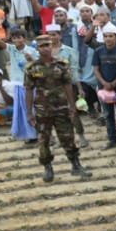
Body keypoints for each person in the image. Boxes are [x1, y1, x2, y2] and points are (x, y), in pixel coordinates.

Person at [26, 31, 89, 183]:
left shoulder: (61, 65)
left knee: (68, 137)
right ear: (37, 49)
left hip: (61, 108)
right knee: (44, 140)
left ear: (52, 46)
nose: (45, 49)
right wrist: (29, 112)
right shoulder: (32, 68)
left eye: (47, 45)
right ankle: (48, 168)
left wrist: (72, 105)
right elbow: (28, 90)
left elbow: (67, 85)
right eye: (41, 46)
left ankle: (76, 165)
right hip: (42, 110)